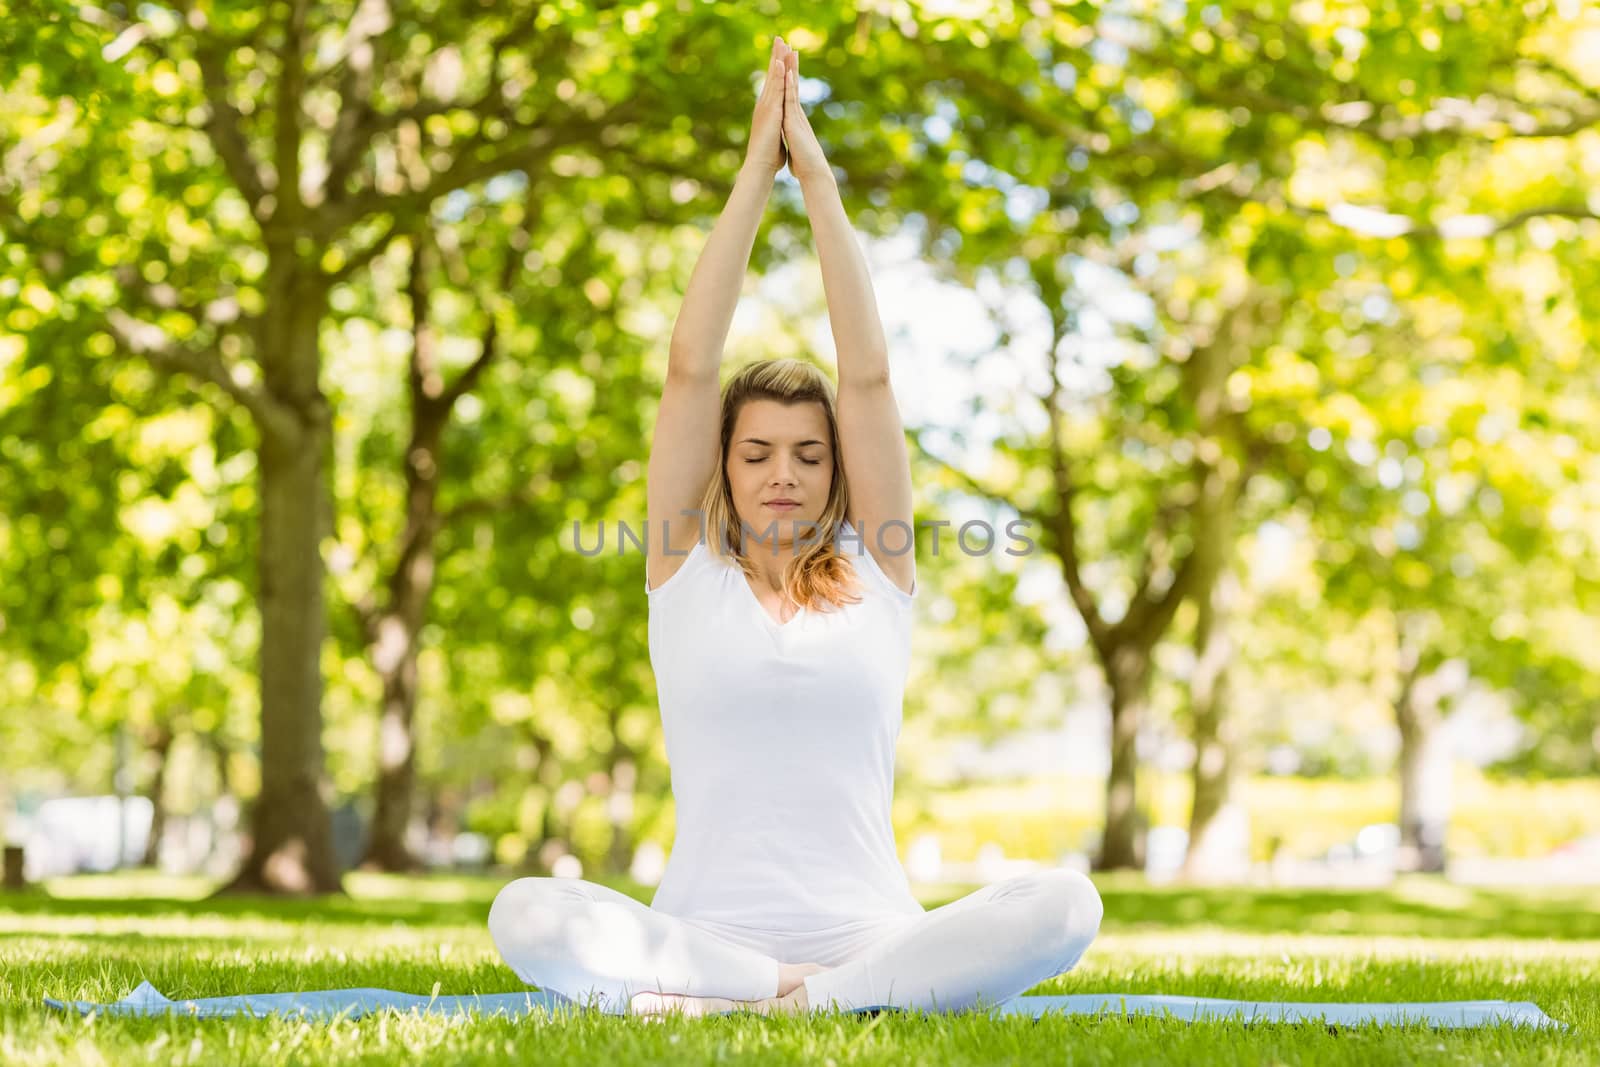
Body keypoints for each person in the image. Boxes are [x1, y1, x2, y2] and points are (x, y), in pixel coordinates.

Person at [487, 36, 1103, 1019]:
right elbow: (691, 366)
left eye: (809, 455)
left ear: (838, 473)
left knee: (1067, 902)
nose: (783, 473)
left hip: (873, 932)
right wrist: (749, 175)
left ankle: (795, 994)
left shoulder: (879, 568)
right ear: (722, 470)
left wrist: (812, 175)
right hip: (697, 932)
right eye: (758, 452)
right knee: (524, 912)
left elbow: (867, 375)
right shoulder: (683, 569)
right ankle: (799, 995)